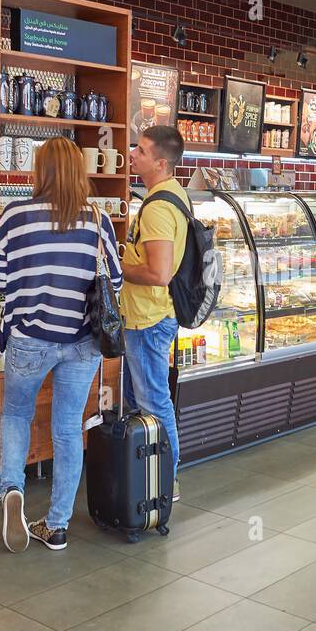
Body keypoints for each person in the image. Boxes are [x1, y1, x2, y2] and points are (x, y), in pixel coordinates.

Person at [0, 137, 122, 553]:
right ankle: (58, 525)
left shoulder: (14, 215)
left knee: (16, 414)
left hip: (29, 339)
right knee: (67, 429)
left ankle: (13, 489)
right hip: (82, 341)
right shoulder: (97, 220)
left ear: (40, 171)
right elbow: (114, 281)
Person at [121, 124, 189, 502]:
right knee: (145, 400)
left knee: (154, 402)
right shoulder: (170, 194)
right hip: (150, 318)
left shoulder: (159, 207)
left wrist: (118, 268)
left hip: (148, 319)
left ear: (160, 163)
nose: (132, 154)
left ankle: (166, 481)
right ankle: (148, 475)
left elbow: (159, 273)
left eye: (141, 151)